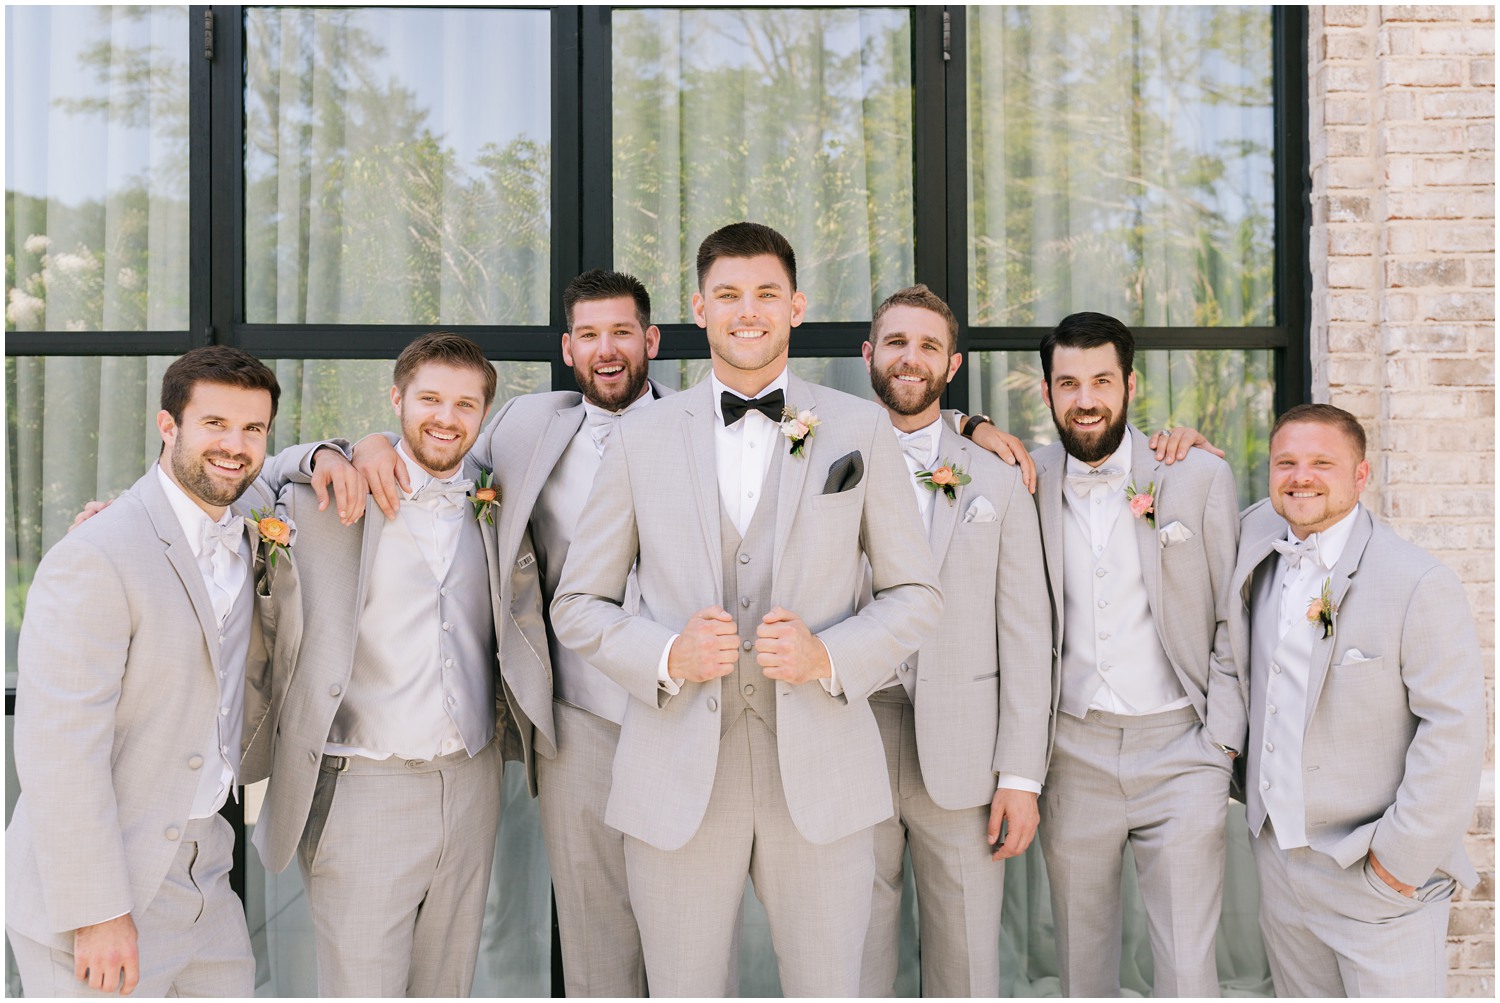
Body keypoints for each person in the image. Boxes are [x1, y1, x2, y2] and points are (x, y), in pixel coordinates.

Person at [549, 222, 942, 997]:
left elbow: (916, 596)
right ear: (700, 307)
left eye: (766, 293)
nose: (748, 310)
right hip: (676, 776)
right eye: (728, 294)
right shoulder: (640, 437)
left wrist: (830, 655)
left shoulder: (858, 428)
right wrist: (666, 655)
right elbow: (578, 604)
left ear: (796, 305)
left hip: (823, 774)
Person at [351, 269, 672, 996]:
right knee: (594, 929)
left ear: (649, 340)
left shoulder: (704, 425)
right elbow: (438, 442)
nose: (607, 348)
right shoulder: (528, 424)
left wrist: (965, 427)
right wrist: (364, 443)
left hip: (685, 710)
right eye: (589, 335)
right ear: (568, 348)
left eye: (622, 331)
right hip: (577, 718)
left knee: (689, 922)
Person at [251, 332, 552, 996]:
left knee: (448, 983)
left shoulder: (495, 501)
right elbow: (254, 475)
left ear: (483, 416)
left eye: (465, 404)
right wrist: (329, 449)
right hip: (363, 785)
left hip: (470, 781)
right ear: (397, 399)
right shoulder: (332, 490)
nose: (446, 417)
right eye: (430, 399)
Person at [6, 347, 281, 996]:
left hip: (208, 871)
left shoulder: (251, 532)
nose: (234, 446)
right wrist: (97, 911)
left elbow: (296, 471)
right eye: (214, 423)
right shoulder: (98, 554)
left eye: (254, 429)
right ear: (168, 426)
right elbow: (59, 752)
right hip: (106, 878)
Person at [1231, 403, 1484, 998]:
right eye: (1286, 462)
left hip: (1374, 872)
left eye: (1323, 462)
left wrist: (1399, 863)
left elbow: (1454, 729)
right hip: (1281, 868)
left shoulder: (1418, 582)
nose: (1301, 476)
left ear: (1361, 476)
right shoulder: (1255, 543)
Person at [1030, 311, 1245, 997]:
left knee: (1187, 966)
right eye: (1067, 383)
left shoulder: (1196, 475)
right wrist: (974, 427)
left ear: (1129, 383)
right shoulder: (1021, 482)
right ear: (1047, 394)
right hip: (1073, 751)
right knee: (1081, 965)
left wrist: (1222, 744)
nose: (1085, 398)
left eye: (1100, 380)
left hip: (1182, 749)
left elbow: (1230, 615)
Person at [856, 285, 1051, 997]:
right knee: (852, 954)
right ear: (869, 354)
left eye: (929, 346)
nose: (912, 358)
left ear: (953, 362)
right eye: (897, 342)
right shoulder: (814, 451)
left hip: (966, 750)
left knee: (968, 958)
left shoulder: (997, 480)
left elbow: (1029, 634)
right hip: (850, 734)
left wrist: (1021, 776)